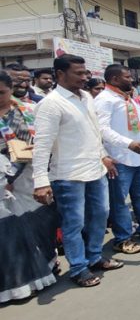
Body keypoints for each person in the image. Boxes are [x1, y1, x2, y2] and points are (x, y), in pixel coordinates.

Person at [33, 54, 122, 288]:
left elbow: (94, 131)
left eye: (86, 73)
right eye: (79, 73)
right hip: (68, 175)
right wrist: (40, 181)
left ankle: (94, 257)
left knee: (101, 214)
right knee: (74, 224)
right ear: (60, 74)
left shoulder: (86, 98)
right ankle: (78, 268)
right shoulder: (51, 104)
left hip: (95, 169)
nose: (85, 77)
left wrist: (104, 156)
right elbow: (42, 146)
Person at [94, 64, 140, 255]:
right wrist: (129, 144)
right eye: (127, 77)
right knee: (119, 202)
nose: (132, 80)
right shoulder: (104, 100)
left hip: (138, 158)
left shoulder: (129, 99)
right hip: (120, 159)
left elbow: (138, 126)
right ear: (114, 79)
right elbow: (102, 130)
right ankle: (122, 238)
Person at [0, 71, 59, 302]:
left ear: (10, 89)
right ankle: (20, 281)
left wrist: (14, 176)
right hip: (4, 185)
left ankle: (47, 265)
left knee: (40, 225)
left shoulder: (28, 111)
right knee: (11, 234)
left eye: (2, 93)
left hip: (31, 178)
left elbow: (43, 143)